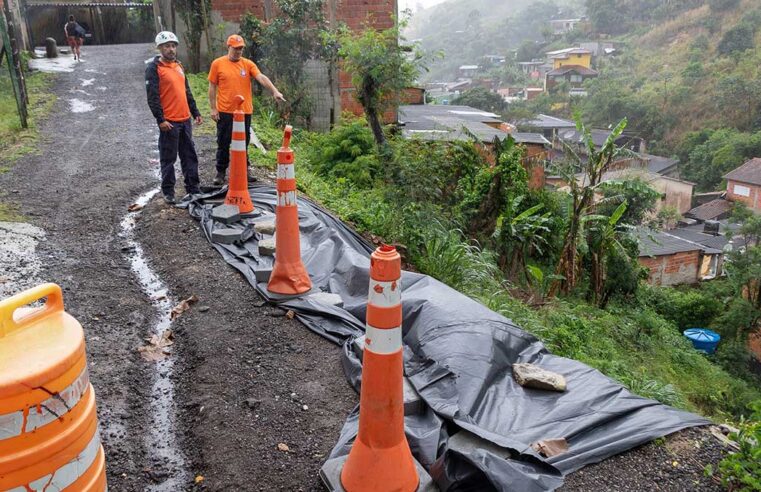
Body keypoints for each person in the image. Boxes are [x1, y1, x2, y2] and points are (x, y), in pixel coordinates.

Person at [208, 34, 285, 185]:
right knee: (223, 142)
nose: (238, 51)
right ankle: (221, 172)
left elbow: (261, 77)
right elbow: (212, 87)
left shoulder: (248, 64)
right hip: (225, 111)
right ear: (228, 47)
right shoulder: (218, 64)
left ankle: (244, 171)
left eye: (241, 49)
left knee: (244, 143)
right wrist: (213, 108)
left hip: (244, 112)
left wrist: (275, 91)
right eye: (236, 48)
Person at [145, 31, 203, 205]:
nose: (170, 49)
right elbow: (152, 96)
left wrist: (196, 112)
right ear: (160, 48)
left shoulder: (178, 65)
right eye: (166, 46)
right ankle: (168, 191)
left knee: (189, 156)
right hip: (169, 122)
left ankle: (193, 187)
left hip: (185, 120)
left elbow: (186, 91)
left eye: (172, 46)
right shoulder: (154, 68)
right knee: (168, 158)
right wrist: (160, 119)